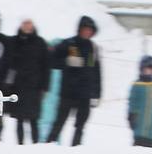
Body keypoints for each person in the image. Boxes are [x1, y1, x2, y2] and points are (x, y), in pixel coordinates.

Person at [46, 15, 101, 146]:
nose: (87, 32)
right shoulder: (68, 44)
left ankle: (75, 149)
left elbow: (97, 72)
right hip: (68, 93)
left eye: (90, 30)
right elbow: (52, 60)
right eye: (85, 29)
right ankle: (48, 145)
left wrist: (97, 93)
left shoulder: (93, 48)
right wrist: (66, 62)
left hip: (85, 94)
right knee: (59, 122)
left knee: (80, 125)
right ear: (80, 29)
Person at [5, 18, 49, 143]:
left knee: (34, 119)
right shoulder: (14, 41)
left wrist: (45, 87)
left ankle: (35, 144)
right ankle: (20, 144)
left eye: (29, 23)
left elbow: (46, 66)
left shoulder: (40, 43)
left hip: (35, 87)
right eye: (24, 23)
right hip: (18, 86)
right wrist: (8, 84)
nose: (27, 26)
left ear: (33, 25)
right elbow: (9, 63)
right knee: (19, 118)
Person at [127, 55, 152, 147]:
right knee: (139, 144)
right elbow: (132, 101)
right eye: (146, 69)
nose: (148, 72)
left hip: (151, 123)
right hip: (139, 122)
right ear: (141, 69)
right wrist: (131, 115)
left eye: (151, 70)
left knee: (149, 144)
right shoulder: (137, 85)